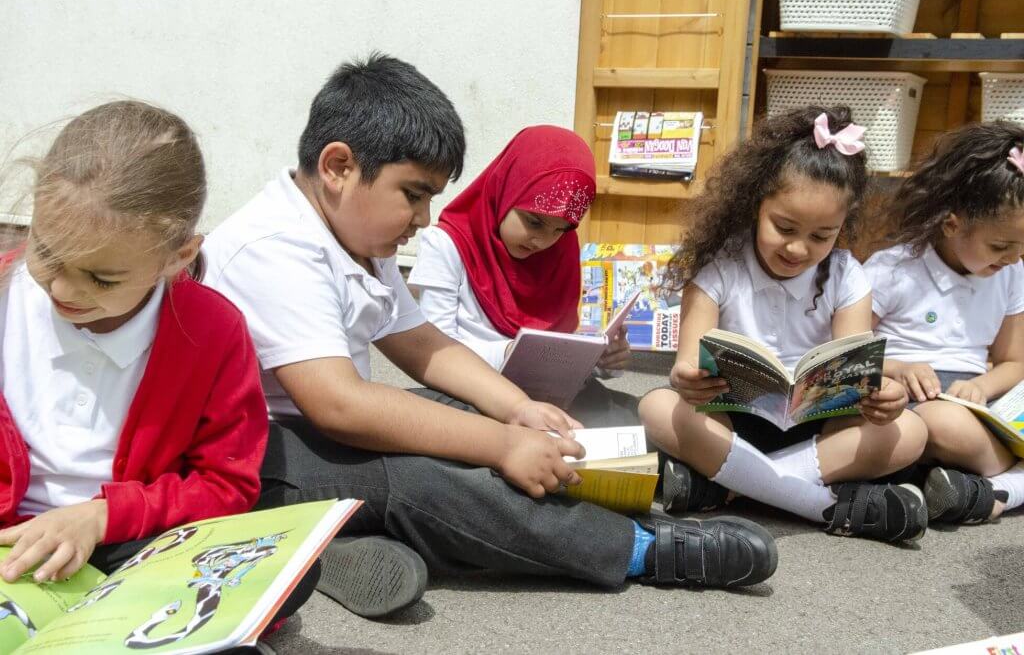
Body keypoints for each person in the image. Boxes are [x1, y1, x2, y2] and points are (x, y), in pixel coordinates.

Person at [203, 54, 779, 618]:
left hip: (316, 438)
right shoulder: (276, 247)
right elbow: (340, 406)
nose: (424, 218)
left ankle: (337, 544)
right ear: (338, 167)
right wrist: (502, 446)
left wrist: (518, 410)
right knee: (408, 473)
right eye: (414, 194)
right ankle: (638, 550)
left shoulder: (352, 235)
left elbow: (425, 348)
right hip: (256, 465)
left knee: (474, 413)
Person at [0, 101, 312, 638]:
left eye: (101, 278)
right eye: (48, 254)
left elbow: (225, 483)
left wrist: (99, 518)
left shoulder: (213, 331)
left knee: (290, 572)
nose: (63, 290)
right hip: (11, 543)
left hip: (126, 541)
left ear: (178, 255)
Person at [639, 106, 929, 543]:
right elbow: (686, 367)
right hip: (732, 425)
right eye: (784, 226)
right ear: (756, 205)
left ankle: (739, 487)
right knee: (656, 408)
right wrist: (687, 379)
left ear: (842, 227)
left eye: (821, 236)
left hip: (818, 435)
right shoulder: (719, 269)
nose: (797, 248)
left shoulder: (848, 275)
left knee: (911, 430)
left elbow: (853, 367)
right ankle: (822, 506)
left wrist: (881, 397)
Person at [408, 125, 636, 427]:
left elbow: (557, 351)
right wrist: (509, 352)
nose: (543, 241)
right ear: (506, 189)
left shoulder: (559, 254)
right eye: (534, 222)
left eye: (561, 230)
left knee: (634, 426)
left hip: (547, 399)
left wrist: (600, 362)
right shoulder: (447, 245)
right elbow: (434, 349)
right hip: (469, 395)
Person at [865, 121, 1024, 525]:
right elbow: (846, 348)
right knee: (937, 422)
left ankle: (961, 488)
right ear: (951, 224)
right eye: (1001, 246)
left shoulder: (1011, 274)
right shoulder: (894, 268)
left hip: (975, 403)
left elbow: (1013, 361)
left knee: (947, 421)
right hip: (899, 397)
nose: (1013, 257)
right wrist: (897, 367)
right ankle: (1003, 487)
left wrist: (981, 385)